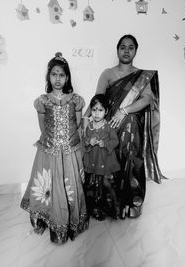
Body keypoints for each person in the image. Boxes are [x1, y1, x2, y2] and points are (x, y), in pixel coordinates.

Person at [83, 34, 165, 219]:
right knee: (112, 163)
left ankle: (133, 201)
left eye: (130, 47)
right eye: (122, 47)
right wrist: (84, 119)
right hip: (109, 128)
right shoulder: (108, 73)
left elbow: (147, 99)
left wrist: (124, 111)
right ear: (117, 50)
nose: (126, 51)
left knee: (132, 162)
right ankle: (115, 203)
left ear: (136, 50)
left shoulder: (141, 76)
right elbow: (97, 99)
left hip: (132, 129)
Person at [20, 52, 89, 244]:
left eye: (61, 75)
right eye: (54, 74)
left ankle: (70, 222)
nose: (57, 79)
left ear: (67, 77)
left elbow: (77, 126)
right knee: (48, 186)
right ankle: (49, 219)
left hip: (70, 151)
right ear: (48, 77)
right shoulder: (42, 101)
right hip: (49, 151)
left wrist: (74, 148)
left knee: (70, 186)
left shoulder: (75, 100)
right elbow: (43, 128)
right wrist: (52, 144)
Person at [83, 94, 120, 220]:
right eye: (94, 110)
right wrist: (89, 141)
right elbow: (85, 141)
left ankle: (108, 209)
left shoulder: (109, 127)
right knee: (93, 186)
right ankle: (94, 209)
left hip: (105, 162)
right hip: (93, 161)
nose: (96, 113)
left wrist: (106, 144)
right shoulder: (89, 127)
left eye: (100, 110)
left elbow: (115, 141)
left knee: (105, 186)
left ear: (106, 111)